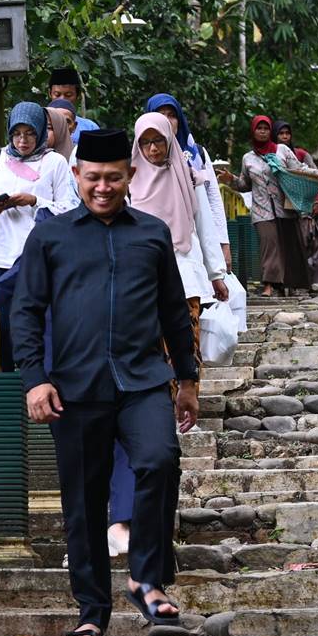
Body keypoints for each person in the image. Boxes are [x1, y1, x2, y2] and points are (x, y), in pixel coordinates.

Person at [9, 128, 200, 636]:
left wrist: (188, 379)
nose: (102, 187)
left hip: (143, 380)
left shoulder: (152, 234)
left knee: (159, 460)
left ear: (130, 177)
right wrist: (34, 379)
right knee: (84, 500)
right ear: (76, 177)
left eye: (113, 178)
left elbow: (172, 311)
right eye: (92, 177)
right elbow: (25, 312)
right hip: (75, 387)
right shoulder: (51, 237)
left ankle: (145, 578)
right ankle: (92, 610)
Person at [103, 110, 231, 556]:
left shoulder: (186, 175)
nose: (156, 149)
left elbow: (203, 225)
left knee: (183, 343)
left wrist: (218, 271)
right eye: (149, 142)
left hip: (187, 277)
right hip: (143, 287)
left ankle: (180, 405)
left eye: (161, 141)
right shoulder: (128, 188)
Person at [0, 101, 77, 369]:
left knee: (39, 324)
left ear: (42, 131)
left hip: (37, 257)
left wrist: (33, 200)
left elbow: (69, 210)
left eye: (30, 133)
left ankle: (40, 383)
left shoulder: (54, 162)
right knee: (1, 328)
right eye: (17, 133)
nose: (22, 140)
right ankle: (8, 392)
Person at [235, 115, 318, 298]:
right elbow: (244, 184)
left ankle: (287, 285)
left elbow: (299, 168)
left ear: (270, 132)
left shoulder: (281, 151)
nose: (262, 132)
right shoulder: (248, 158)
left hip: (285, 207)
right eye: (258, 128)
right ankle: (268, 285)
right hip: (262, 211)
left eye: (266, 129)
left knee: (288, 246)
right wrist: (231, 180)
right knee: (270, 244)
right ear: (253, 131)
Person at [146, 92, 231, 270]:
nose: (167, 121)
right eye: (161, 115)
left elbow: (213, 199)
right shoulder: (143, 156)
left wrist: (223, 243)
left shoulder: (196, 154)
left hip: (199, 238)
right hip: (158, 243)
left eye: (172, 115)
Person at [274, 121, 318, 286]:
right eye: (281, 133)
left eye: (287, 133)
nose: (285, 137)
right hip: (288, 209)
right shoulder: (271, 158)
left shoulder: (300, 155)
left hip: (308, 207)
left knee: (314, 241)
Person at [48, 67, 98, 140]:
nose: (62, 99)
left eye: (68, 95)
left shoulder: (90, 128)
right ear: (50, 93)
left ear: (77, 96)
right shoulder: (39, 124)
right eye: (57, 95)